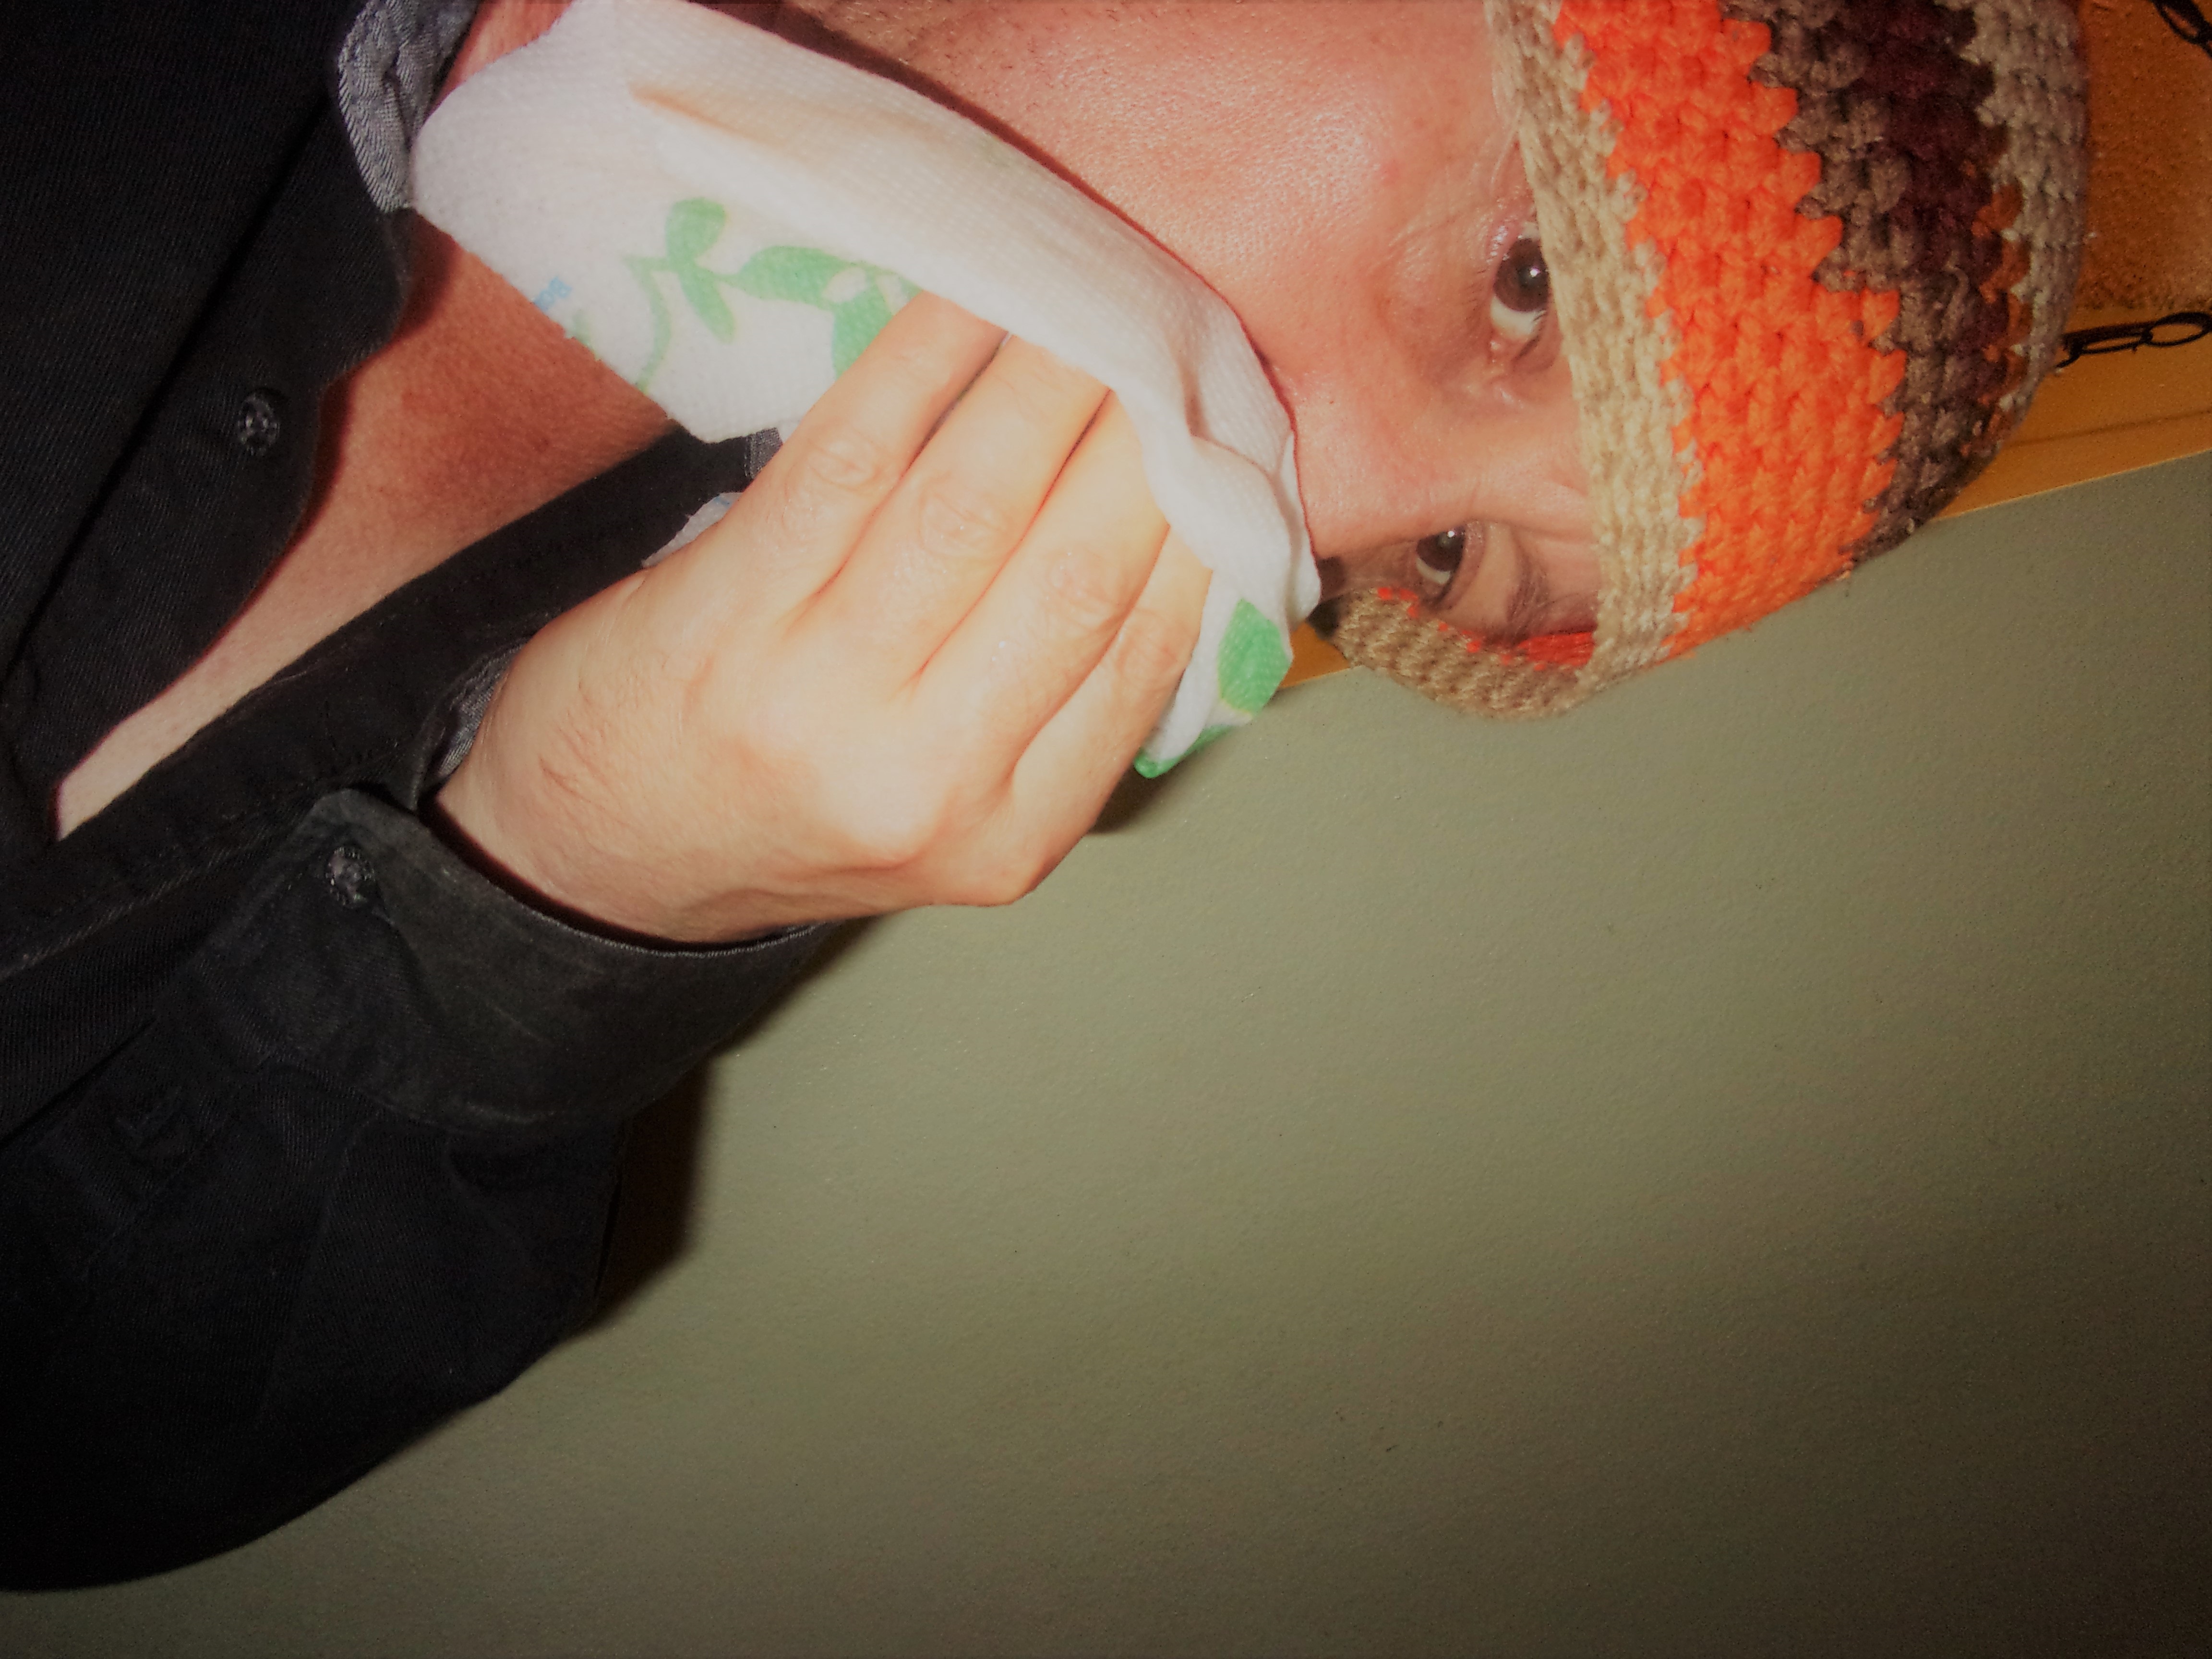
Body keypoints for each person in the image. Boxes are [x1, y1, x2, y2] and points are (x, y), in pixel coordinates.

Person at [0, 0, 2084, 1587]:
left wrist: (558, 888)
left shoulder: (752, 630)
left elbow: (69, 1446)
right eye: (1529, 280)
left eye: (1444, 558)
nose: (1304, 499)